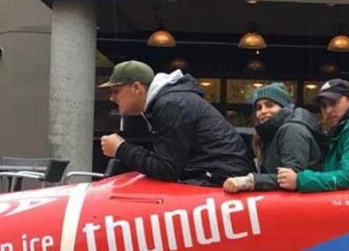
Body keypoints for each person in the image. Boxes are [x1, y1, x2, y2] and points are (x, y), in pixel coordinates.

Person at [99, 60, 252, 185]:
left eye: (116, 90)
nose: (112, 97)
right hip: (218, 176)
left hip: (222, 181)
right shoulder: (168, 101)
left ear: (136, 87)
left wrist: (121, 149)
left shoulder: (171, 105)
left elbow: (166, 170)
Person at [222, 83, 321, 192]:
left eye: (269, 105)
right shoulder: (268, 134)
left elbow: (291, 179)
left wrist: (250, 181)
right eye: (259, 108)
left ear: (283, 107)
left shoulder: (293, 130)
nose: (263, 111)